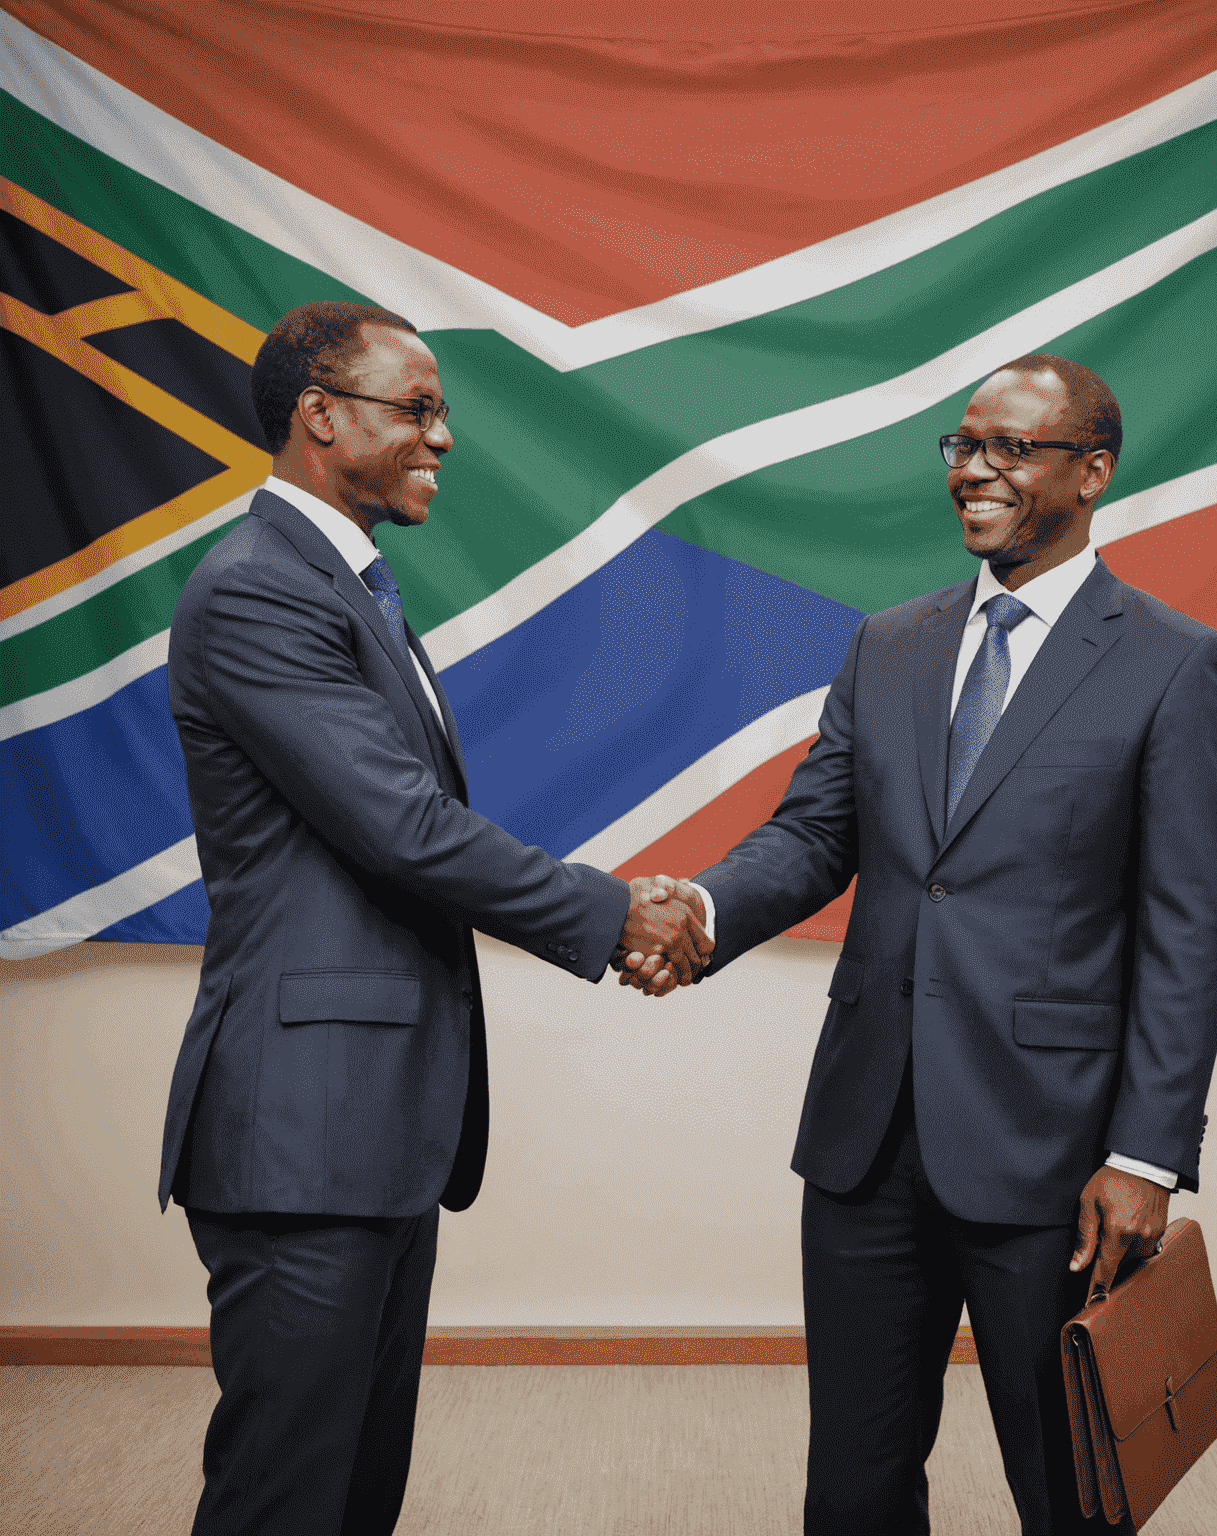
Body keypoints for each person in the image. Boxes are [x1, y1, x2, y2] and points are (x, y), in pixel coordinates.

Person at [626, 355, 1217, 1534]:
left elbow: (1188, 933)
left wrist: (1148, 1156)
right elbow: (814, 835)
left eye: (1013, 448)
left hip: (1056, 1158)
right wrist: (701, 913)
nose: (975, 470)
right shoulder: (889, 645)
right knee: (853, 1487)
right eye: (964, 445)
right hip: (866, 1144)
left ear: (1093, 472)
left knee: (1069, 1486)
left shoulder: (1176, 665)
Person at [158, 299, 709, 1535]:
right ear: (319, 416)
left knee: (355, 1492)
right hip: (301, 1135)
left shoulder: (349, 583)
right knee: (283, 1497)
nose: (443, 437)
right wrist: (620, 913)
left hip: (375, 1129)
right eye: (416, 408)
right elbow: (402, 828)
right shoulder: (257, 591)